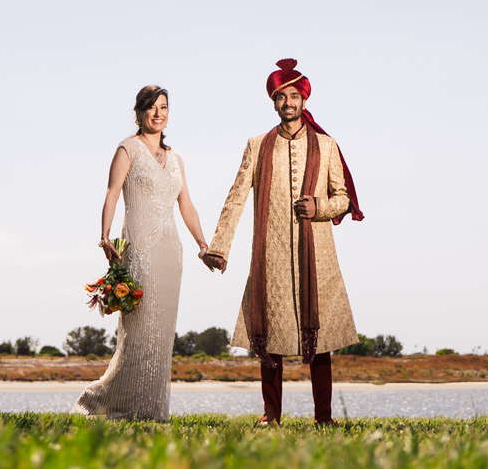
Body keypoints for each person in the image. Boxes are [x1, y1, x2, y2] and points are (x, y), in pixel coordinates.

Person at [200, 57, 364, 424]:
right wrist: (219, 246)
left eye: (294, 96)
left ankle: (324, 417)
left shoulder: (327, 144)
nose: (288, 103)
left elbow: (344, 198)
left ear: (304, 100)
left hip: (316, 256)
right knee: (269, 338)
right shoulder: (257, 145)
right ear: (273, 102)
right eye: (280, 97)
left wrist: (319, 206)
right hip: (271, 255)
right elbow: (237, 196)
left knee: (320, 342)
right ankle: (270, 415)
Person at [74, 84, 213, 421]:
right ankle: (101, 400)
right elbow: (111, 192)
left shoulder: (177, 158)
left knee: (162, 335)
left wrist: (203, 245)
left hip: (171, 251)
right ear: (138, 113)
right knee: (137, 332)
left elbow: (187, 205)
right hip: (137, 246)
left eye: (163, 107)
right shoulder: (128, 149)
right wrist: (105, 237)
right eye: (150, 107)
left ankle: (150, 409)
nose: (157, 113)